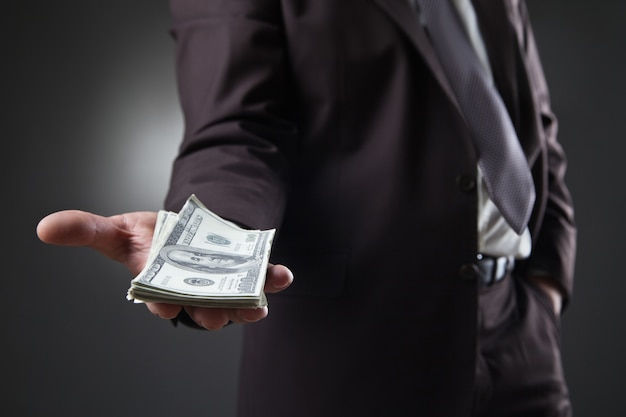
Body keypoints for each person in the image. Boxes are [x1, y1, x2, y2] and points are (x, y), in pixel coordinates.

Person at [37, 0, 576, 416]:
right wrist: (202, 247)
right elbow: (237, 126)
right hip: (354, 351)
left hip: (521, 336)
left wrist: (548, 284)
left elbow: (532, 122)